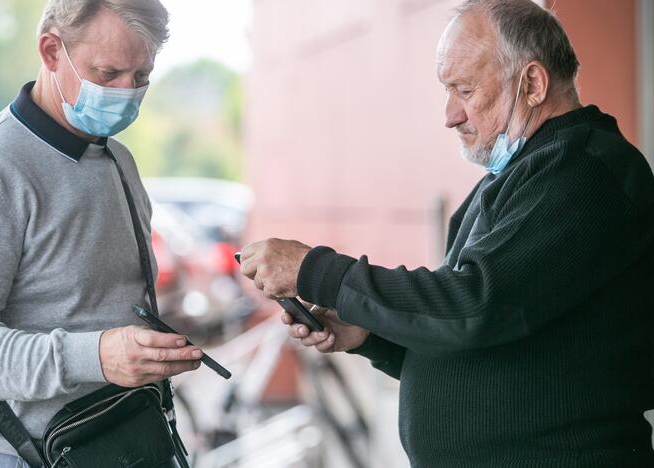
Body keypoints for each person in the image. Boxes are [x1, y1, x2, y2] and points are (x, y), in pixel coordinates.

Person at [239, 0, 654, 466]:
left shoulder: (581, 171)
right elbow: (471, 333)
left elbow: (476, 305)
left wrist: (317, 272)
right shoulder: (524, 173)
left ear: (533, 84)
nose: (450, 115)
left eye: (465, 90)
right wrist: (372, 336)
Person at [0, 1, 202, 466]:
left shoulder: (119, 160)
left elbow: (100, 306)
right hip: (22, 454)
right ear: (52, 52)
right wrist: (95, 355)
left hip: (127, 436)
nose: (126, 94)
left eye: (141, 77)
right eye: (107, 72)